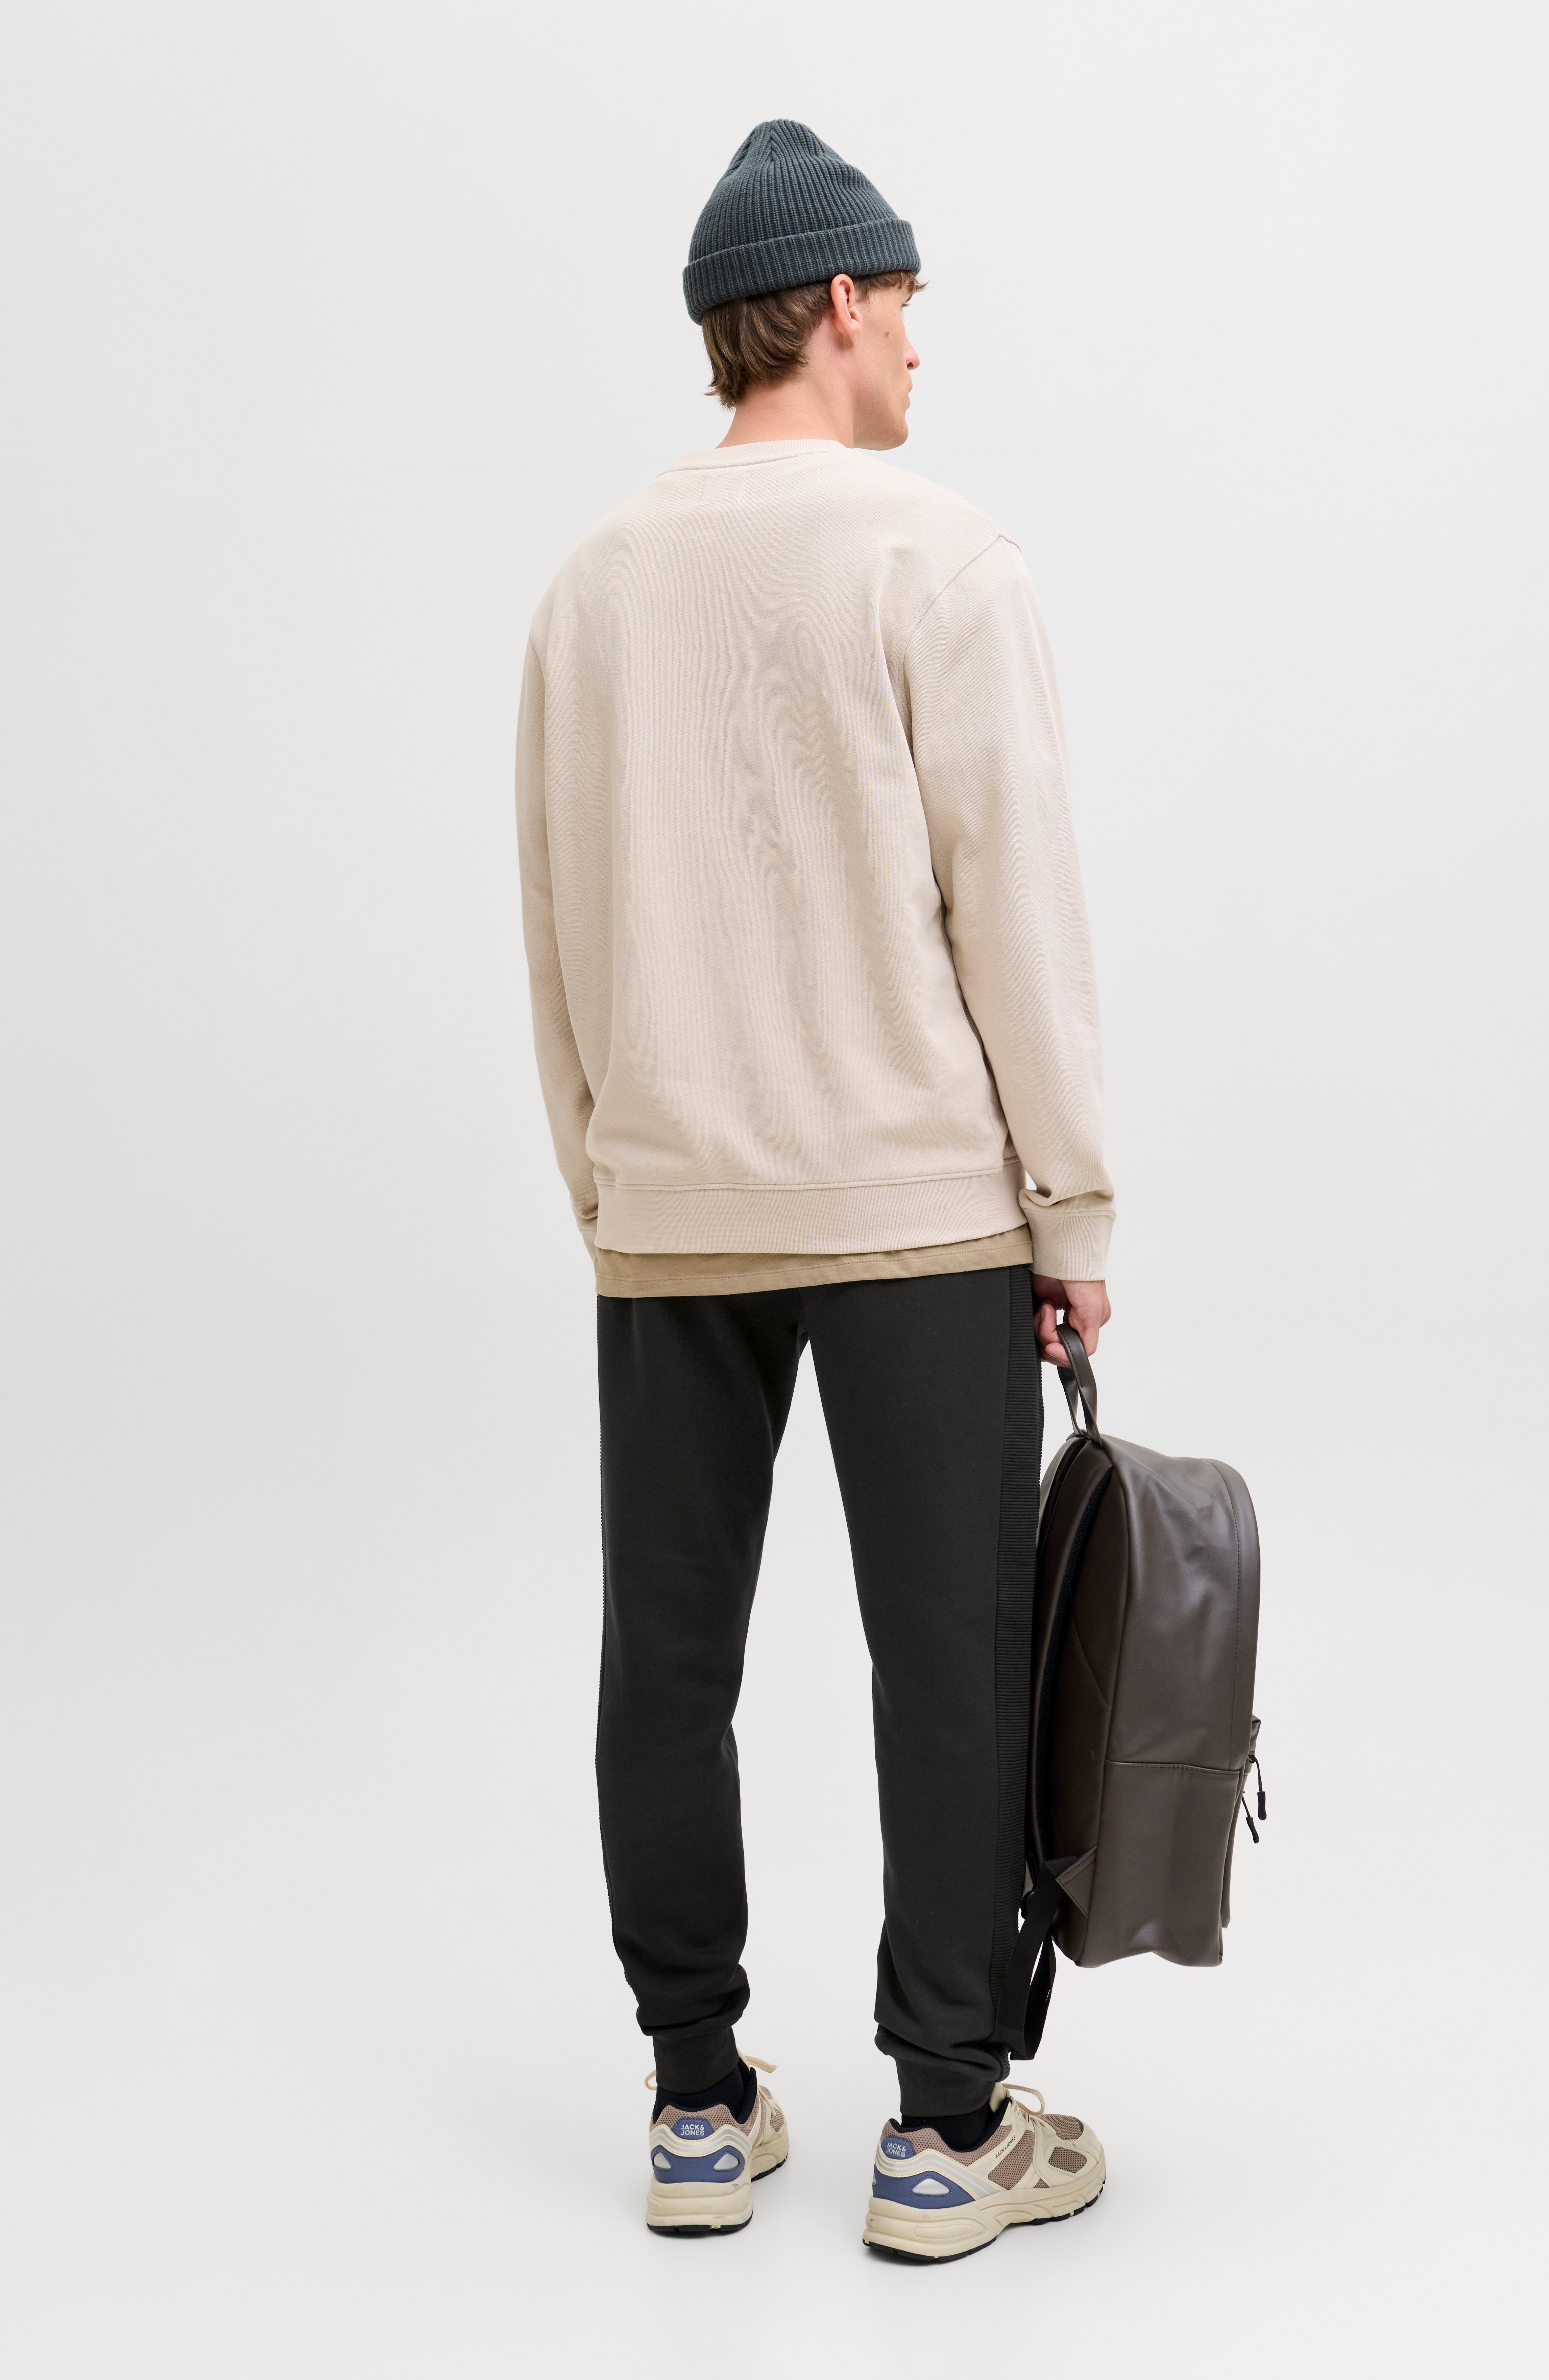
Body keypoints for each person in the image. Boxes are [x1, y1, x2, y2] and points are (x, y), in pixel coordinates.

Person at [515, 120, 1114, 2262]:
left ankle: (696, 2101)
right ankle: (945, 2133)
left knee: (664, 1659)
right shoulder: (937, 561)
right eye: (910, 309)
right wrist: (1072, 1213)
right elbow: (1014, 912)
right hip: (914, 1207)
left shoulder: (594, 586)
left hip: (670, 1207)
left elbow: (556, 926)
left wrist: (613, 1181)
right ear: (840, 304)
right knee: (947, 1657)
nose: (923, 351)